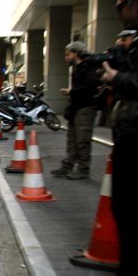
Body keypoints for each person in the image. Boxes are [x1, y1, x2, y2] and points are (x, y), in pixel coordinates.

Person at [87, 0, 138, 276]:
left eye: (121, 5)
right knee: (125, 207)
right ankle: (129, 275)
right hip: (131, 136)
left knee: (132, 206)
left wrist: (117, 79)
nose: (119, 12)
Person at [50, 41, 100, 180]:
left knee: (82, 140)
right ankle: (68, 165)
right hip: (76, 107)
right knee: (72, 139)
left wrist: (71, 91)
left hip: (85, 107)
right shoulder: (77, 68)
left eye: (68, 54)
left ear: (75, 53)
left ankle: (83, 169)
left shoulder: (88, 67)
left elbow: (90, 88)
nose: (65, 58)